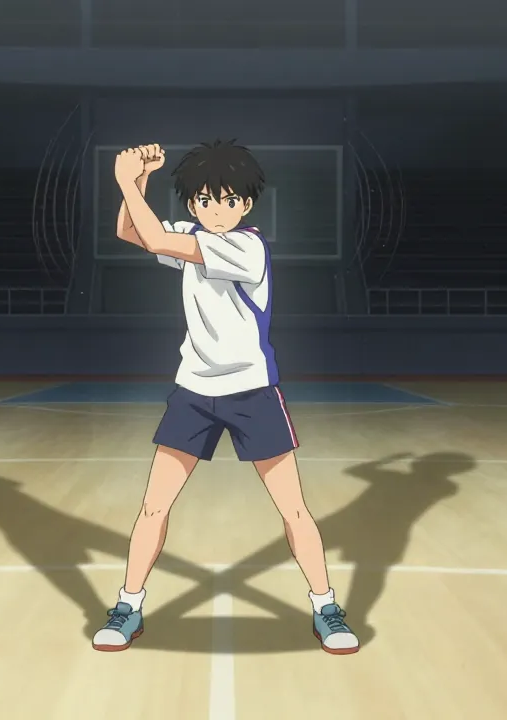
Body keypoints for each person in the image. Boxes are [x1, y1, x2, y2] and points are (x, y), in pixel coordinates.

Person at [91, 140, 359, 655]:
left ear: (246, 204)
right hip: (194, 390)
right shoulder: (191, 235)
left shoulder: (247, 248)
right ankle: (129, 605)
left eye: (229, 200)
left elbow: (155, 236)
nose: (217, 210)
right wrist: (141, 179)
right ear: (193, 204)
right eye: (206, 201)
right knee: (153, 506)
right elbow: (131, 231)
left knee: (293, 509)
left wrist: (125, 179)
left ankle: (325, 607)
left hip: (251, 391)